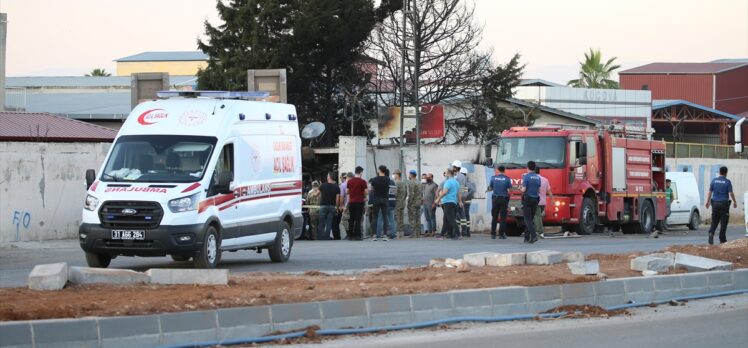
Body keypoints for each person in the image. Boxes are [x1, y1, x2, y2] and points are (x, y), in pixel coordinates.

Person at [705, 166, 737, 245]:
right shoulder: (727, 182)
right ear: (726, 173)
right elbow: (730, 193)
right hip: (724, 204)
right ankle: (722, 239)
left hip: (714, 203)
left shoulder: (714, 181)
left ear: (719, 172)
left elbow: (710, 192)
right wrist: (734, 201)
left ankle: (711, 233)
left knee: (714, 220)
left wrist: (707, 201)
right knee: (724, 222)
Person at [435, 168, 462, 240]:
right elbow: (459, 193)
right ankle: (441, 235)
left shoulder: (448, 182)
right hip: (453, 202)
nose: (445, 174)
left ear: (449, 173)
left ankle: (459, 234)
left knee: (451, 220)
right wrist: (460, 201)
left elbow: (445, 192)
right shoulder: (456, 182)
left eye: (446, 173)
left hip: (447, 202)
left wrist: (438, 199)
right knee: (446, 220)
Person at [487, 165, 512, 239]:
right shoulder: (507, 179)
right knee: (503, 218)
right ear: (504, 170)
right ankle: (501, 234)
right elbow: (510, 190)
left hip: (495, 199)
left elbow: (490, 188)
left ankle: (493, 234)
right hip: (504, 199)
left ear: (498, 170)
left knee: (494, 217)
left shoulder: (493, 178)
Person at [521, 161, 541, 244]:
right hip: (535, 199)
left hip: (527, 199)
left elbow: (524, 189)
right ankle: (526, 237)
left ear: (527, 167)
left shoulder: (526, 177)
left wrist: (520, 188)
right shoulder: (538, 177)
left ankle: (534, 236)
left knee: (527, 219)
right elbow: (539, 190)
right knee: (530, 219)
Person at [369, 165, 391, 241]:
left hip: (376, 199)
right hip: (385, 199)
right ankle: (385, 235)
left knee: (375, 217)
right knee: (385, 217)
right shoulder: (388, 179)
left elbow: (372, 190)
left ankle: (374, 235)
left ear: (379, 170)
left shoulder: (374, 179)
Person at [317, 173, 341, 240]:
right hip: (332, 206)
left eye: (327, 175)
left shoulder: (323, 185)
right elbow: (337, 199)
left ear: (329, 177)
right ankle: (327, 237)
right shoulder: (337, 187)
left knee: (321, 222)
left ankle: (320, 237)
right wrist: (337, 207)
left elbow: (316, 194)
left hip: (323, 205)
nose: (327, 176)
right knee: (329, 222)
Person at [346, 167, 368, 241]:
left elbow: (347, 192)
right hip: (360, 202)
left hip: (351, 202)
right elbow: (366, 192)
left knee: (351, 218)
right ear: (361, 172)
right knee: (358, 219)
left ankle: (350, 235)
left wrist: (352, 192)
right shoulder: (363, 181)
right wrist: (363, 194)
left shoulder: (349, 181)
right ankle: (357, 236)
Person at [534, 167, 553, 239]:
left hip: (536, 201)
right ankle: (538, 231)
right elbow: (549, 191)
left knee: (537, 216)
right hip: (543, 202)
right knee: (538, 216)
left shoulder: (534, 179)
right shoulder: (545, 180)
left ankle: (540, 232)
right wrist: (552, 199)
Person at [451, 160, 469, 237]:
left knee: (455, 216)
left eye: (453, 167)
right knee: (462, 215)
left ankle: (455, 232)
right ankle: (464, 231)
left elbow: (456, 189)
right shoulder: (463, 176)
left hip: (456, 198)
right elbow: (465, 188)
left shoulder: (455, 177)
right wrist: (463, 197)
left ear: (455, 167)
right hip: (463, 198)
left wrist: (458, 198)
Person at [460, 167, 476, 237]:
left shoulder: (465, 181)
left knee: (464, 215)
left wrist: (466, 196)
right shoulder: (465, 181)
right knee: (465, 215)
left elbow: (472, 190)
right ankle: (466, 231)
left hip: (465, 201)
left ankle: (466, 231)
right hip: (465, 201)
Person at [407, 169, 422, 238]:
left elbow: (411, 194)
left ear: (411, 175)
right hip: (418, 202)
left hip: (413, 202)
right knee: (418, 218)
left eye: (409, 174)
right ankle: (418, 233)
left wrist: (409, 203)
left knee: (412, 218)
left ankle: (413, 233)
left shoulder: (411, 182)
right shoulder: (419, 182)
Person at [332, 173, 348, 240]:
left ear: (343, 177)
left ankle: (345, 235)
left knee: (338, 222)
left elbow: (341, 197)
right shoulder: (349, 184)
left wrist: (340, 206)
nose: (340, 179)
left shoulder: (342, 185)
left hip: (343, 206)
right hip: (350, 205)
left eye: (340, 177)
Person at [393, 169, 407, 238]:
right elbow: (406, 193)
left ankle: (398, 233)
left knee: (397, 218)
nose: (393, 175)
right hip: (402, 202)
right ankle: (401, 233)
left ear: (397, 175)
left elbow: (394, 193)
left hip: (397, 202)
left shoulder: (396, 183)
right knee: (401, 218)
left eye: (394, 174)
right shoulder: (403, 182)